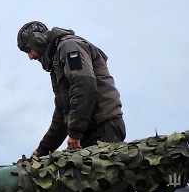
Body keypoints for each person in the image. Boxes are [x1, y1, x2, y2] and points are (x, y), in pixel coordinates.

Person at [17, 21, 126, 157]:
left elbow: (84, 86)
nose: (30, 57)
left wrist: (75, 132)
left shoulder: (69, 47)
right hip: (88, 131)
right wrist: (42, 151)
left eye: (28, 50)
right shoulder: (56, 63)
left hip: (103, 128)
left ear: (38, 41)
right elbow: (63, 114)